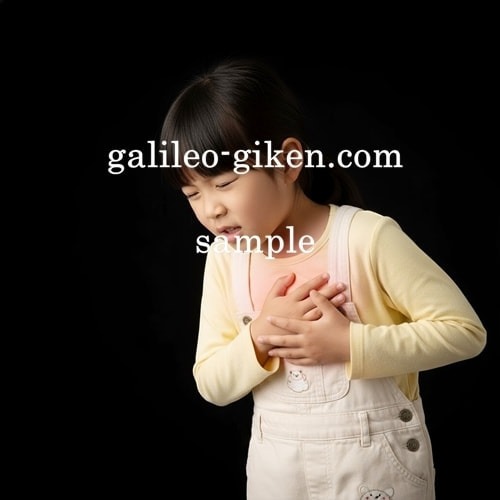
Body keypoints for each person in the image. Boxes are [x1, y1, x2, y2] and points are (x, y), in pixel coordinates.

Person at [159, 58, 486, 500]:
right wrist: (258, 336)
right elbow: (212, 384)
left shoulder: (366, 238)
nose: (210, 209)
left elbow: (465, 333)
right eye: (192, 193)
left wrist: (349, 344)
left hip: (377, 471)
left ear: (289, 161)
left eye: (225, 182)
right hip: (278, 476)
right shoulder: (225, 258)